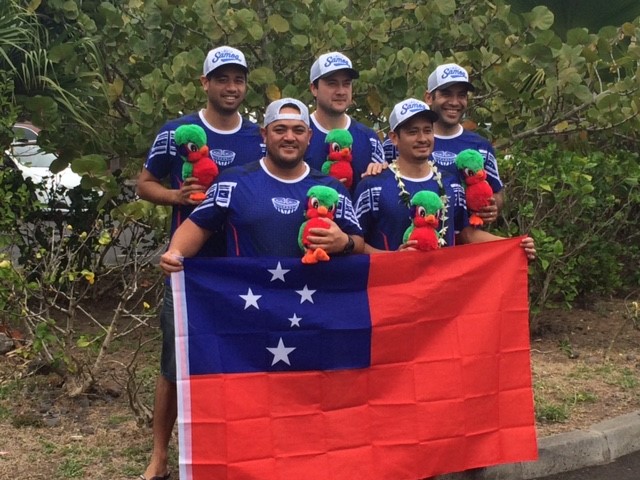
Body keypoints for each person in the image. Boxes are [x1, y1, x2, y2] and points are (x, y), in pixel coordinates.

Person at [136, 45, 264, 480]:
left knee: (240, 365)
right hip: (186, 269)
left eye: (238, 80)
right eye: (222, 79)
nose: (231, 88)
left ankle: (234, 448)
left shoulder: (257, 136)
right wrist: (176, 196)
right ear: (205, 83)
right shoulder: (177, 131)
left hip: (240, 271)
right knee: (174, 366)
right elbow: (144, 183)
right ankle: (159, 456)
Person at [160, 98, 364, 273]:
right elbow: (197, 225)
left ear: (309, 137)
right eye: (280, 129)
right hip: (250, 305)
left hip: (308, 307)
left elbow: (359, 242)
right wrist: (175, 253)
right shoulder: (233, 182)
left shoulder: (331, 189)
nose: (290, 137)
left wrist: (345, 242)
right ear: (264, 134)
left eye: (298, 130)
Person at [355, 98, 535, 259]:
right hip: (393, 290)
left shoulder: (450, 183)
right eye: (413, 132)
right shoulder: (372, 185)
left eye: (427, 130)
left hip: (440, 290)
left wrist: (515, 245)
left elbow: (466, 234)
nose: (422, 138)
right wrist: (395, 259)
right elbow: (356, 244)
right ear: (394, 138)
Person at [383, 63, 503, 225]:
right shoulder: (397, 143)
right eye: (446, 94)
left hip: (466, 241)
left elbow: (497, 192)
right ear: (429, 97)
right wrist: (374, 167)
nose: (454, 102)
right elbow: (381, 179)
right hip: (408, 238)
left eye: (461, 95)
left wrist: (493, 206)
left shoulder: (481, 146)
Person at [305, 51, 385, 190]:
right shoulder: (298, 134)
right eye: (332, 84)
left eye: (346, 84)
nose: (341, 91)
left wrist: (380, 173)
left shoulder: (369, 139)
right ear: (314, 88)